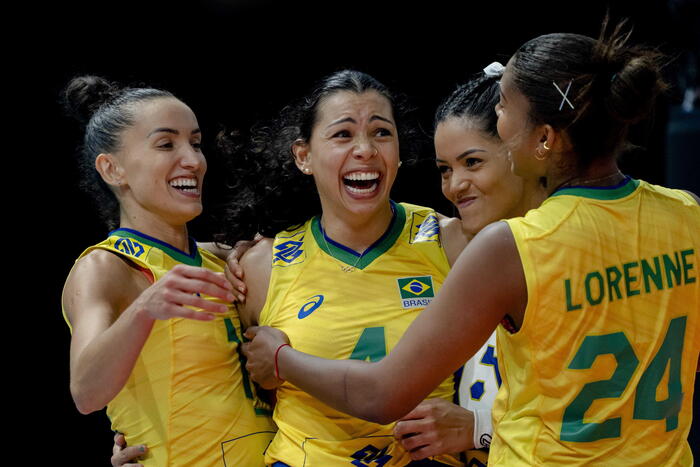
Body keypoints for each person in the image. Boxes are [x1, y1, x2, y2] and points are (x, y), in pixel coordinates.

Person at [242, 22, 700, 466]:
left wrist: (280, 358)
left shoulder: (509, 246)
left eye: (501, 108)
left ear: (542, 139)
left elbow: (381, 395)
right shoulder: (687, 212)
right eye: (445, 168)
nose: (495, 119)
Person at [217, 69, 468, 466]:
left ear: (399, 152)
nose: (366, 149)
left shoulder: (451, 243)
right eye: (343, 134)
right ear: (304, 156)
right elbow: (227, 398)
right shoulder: (261, 266)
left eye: (382, 133)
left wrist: (479, 425)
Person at [61, 76, 275, 466]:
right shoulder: (107, 266)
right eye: (166, 144)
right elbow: (86, 392)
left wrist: (251, 249)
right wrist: (146, 307)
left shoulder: (222, 259)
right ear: (112, 169)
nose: (193, 160)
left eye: (195, 142)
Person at [392, 65, 545, 466]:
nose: (454, 185)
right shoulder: (440, 238)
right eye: (445, 169)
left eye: (472, 162)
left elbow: (604, 404)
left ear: (522, 148)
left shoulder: (567, 247)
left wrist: (478, 427)